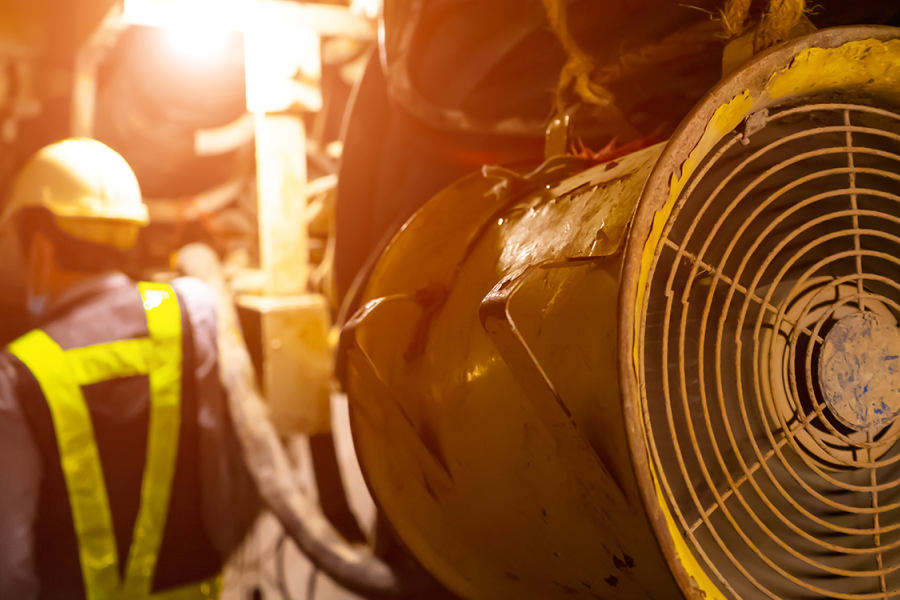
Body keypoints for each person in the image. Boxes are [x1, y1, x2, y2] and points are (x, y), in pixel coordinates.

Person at [0, 139, 258, 600]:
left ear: (39, 248)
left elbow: (10, 567)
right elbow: (225, 490)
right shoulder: (192, 310)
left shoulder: (18, 374)